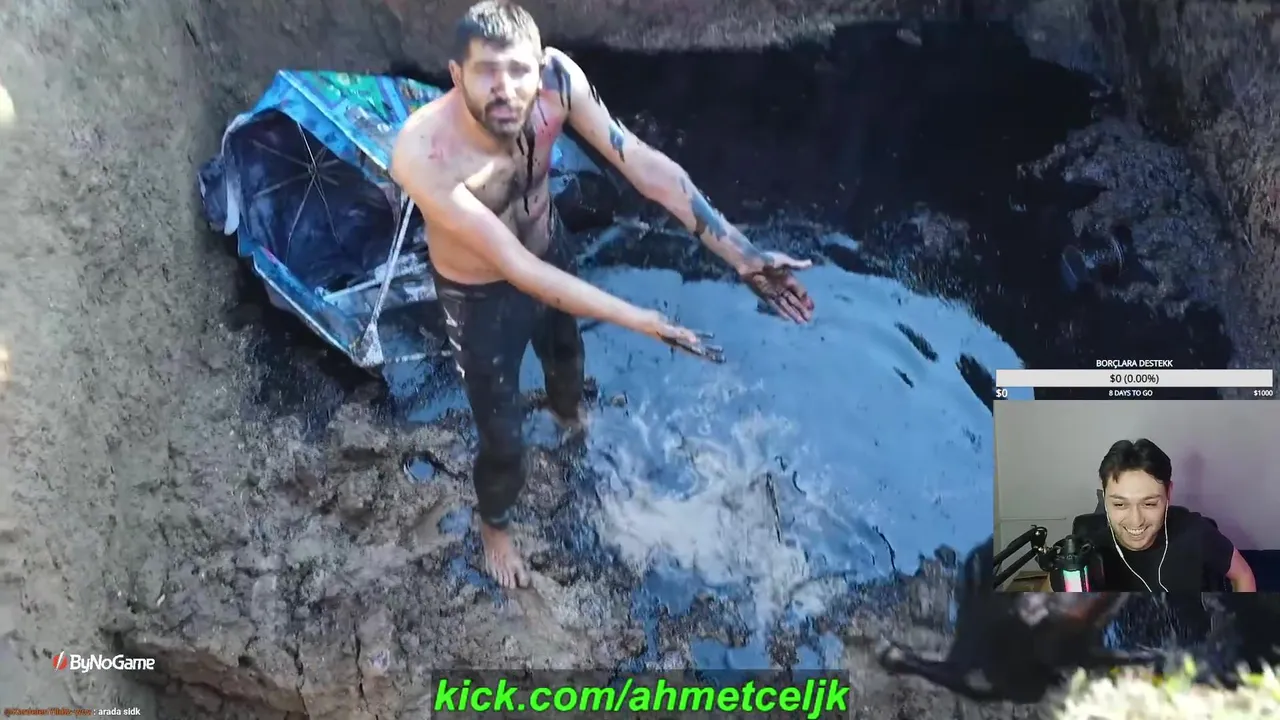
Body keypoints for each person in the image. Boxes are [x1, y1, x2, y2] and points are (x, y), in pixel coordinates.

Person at [390, 1, 816, 588]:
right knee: (503, 438)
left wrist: (742, 256)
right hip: (480, 295)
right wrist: (642, 319)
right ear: (456, 74)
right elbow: (515, 268)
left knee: (567, 359)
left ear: (539, 66)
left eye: (519, 71)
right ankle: (494, 528)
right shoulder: (424, 152)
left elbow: (640, 164)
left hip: (549, 245)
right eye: (486, 72)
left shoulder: (559, 82)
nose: (506, 89)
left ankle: (568, 417)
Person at [1083, 438, 1256, 593]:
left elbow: (1243, 575)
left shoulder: (1196, 532)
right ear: (1104, 496)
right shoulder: (1087, 551)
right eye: (1120, 505)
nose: (1136, 521)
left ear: (1168, 494)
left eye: (1149, 504)